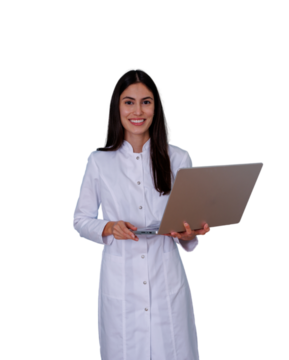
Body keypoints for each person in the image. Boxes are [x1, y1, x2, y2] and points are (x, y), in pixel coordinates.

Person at [72, 69, 210, 360]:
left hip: (166, 277)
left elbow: (188, 220)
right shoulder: (99, 160)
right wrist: (109, 227)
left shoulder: (178, 157)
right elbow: (80, 220)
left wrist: (190, 232)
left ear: (156, 108)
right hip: (120, 281)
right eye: (129, 102)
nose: (138, 111)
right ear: (117, 107)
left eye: (146, 102)